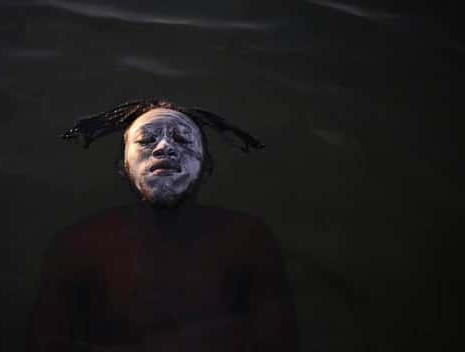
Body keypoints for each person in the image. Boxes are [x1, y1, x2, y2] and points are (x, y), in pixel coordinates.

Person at [28, 100, 299, 351]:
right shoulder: (79, 243)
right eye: (146, 140)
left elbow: (278, 339)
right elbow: (48, 340)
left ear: (206, 166)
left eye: (182, 139)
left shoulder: (246, 237)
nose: (164, 147)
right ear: (123, 166)